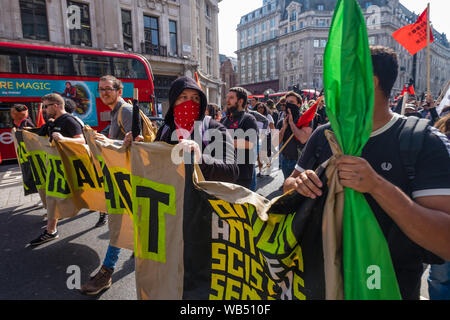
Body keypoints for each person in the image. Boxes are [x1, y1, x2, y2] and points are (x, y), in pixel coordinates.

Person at [284, 46, 450, 299]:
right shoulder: (323, 135)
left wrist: (377, 186)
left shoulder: (424, 142)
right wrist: (299, 185)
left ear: (367, 82)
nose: (328, 89)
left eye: (337, 79)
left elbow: (444, 242)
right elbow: (288, 186)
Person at [81, 76, 239, 295]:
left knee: (197, 284)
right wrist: (133, 147)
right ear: (173, 102)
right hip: (167, 220)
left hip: (200, 223)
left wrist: (199, 156)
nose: (189, 103)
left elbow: (232, 172)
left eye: (195, 98)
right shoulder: (164, 131)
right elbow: (150, 168)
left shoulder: (214, 129)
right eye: (183, 97)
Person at [80, 75, 139, 295]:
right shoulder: (116, 112)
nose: (104, 92)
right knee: (125, 222)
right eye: (101, 89)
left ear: (118, 91)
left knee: (117, 223)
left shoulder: (125, 111)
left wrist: (110, 143)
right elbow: (122, 142)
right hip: (119, 179)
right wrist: (102, 137)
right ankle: (139, 249)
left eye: (108, 89)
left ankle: (107, 271)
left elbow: (141, 146)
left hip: (127, 182)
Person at [29, 94, 85, 246]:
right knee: (52, 196)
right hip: (57, 168)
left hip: (69, 169)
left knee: (82, 195)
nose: (44, 109)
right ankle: (51, 230)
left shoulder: (69, 121)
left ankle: (102, 210)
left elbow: (82, 141)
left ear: (56, 106)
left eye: (46, 106)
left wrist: (63, 138)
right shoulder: (55, 121)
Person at [221, 87, 258, 189]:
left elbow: (250, 143)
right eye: (227, 97)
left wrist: (224, 141)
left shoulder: (248, 119)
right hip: (226, 172)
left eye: (231, 98)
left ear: (240, 101)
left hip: (242, 174)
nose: (227, 100)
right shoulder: (223, 120)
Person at [276, 91, 312, 180]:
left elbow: (303, 139)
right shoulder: (282, 121)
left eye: (291, 102)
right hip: (285, 160)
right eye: (287, 102)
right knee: (288, 185)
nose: (288, 105)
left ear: (299, 104)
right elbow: (275, 142)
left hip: (300, 162)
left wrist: (292, 123)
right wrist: (283, 128)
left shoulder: (305, 120)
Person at [256, 102, 275, 177]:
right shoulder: (255, 116)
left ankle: (268, 167)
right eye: (258, 107)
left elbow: (272, 127)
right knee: (258, 156)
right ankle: (260, 171)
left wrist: (274, 138)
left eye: (262, 107)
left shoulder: (268, 116)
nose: (260, 109)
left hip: (266, 137)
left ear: (264, 108)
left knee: (263, 155)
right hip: (257, 137)